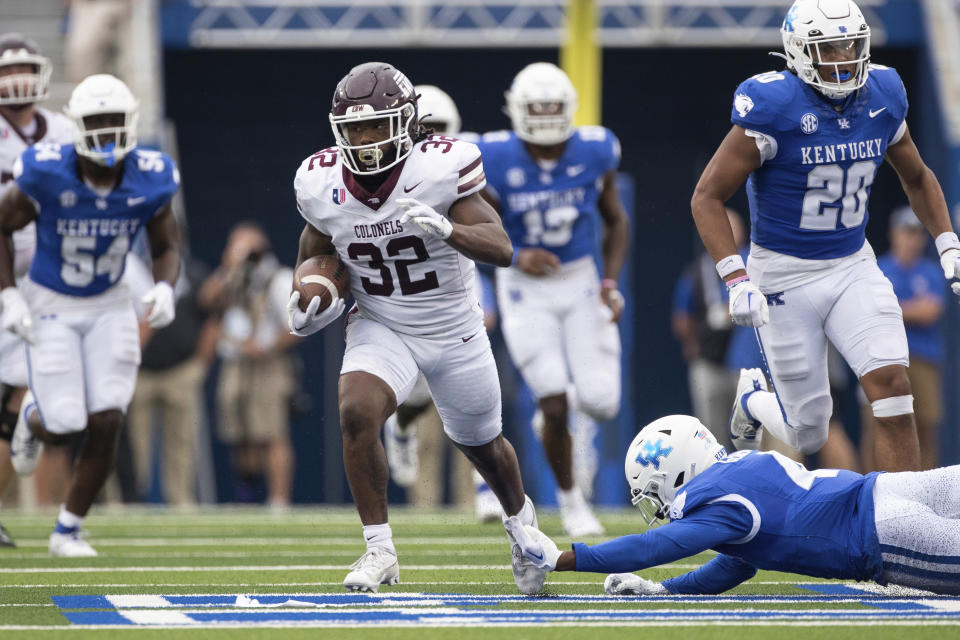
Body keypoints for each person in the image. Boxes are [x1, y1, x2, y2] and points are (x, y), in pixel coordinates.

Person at [289, 61, 546, 594]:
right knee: (357, 413)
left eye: (375, 125)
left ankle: (521, 525)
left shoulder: (439, 169)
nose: (363, 140)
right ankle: (379, 550)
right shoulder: (320, 182)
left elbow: (501, 247)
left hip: (453, 325)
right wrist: (308, 295)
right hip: (381, 320)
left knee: (483, 445)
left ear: (407, 122)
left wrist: (449, 228)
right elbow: (314, 251)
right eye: (353, 128)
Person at [690, 0, 960, 472]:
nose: (843, 57)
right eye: (828, 48)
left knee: (894, 387)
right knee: (808, 428)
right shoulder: (773, 105)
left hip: (852, 264)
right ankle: (755, 400)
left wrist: (948, 242)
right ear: (798, 52)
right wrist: (735, 278)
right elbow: (707, 196)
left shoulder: (883, 92)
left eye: (851, 44)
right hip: (783, 276)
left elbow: (916, 176)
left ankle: (900, 520)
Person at [0, 73, 181, 557]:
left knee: (106, 419)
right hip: (52, 302)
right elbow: (2, 224)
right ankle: (32, 418)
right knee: (63, 422)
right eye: (96, 122)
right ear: (77, 126)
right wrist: (9, 295)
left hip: (109, 304)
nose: (105, 132)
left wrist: (165, 286)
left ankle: (68, 530)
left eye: (114, 121)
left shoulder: (150, 174)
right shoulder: (45, 170)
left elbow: (166, 243)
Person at [521, 414, 960, 597]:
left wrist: (565, 559)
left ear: (674, 475)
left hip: (885, 534)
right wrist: (665, 590)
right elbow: (738, 564)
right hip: (892, 488)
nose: (658, 507)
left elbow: (655, 547)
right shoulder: (741, 464)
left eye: (655, 494)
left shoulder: (715, 500)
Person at [476, 62, 630, 536]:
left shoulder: (595, 149)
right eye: (535, 108)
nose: (544, 117)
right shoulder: (493, 156)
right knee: (554, 400)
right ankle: (571, 501)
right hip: (525, 287)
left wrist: (610, 282)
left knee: (602, 402)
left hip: (581, 277)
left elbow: (615, 220)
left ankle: (565, 431)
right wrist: (516, 255)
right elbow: (474, 219)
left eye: (552, 108)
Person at [382, 83, 501, 522]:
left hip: (459, 287)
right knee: (417, 393)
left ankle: (487, 490)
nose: (431, 139)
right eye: (423, 129)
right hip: (409, 295)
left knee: (478, 399)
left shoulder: (465, 165)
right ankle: (401, 425)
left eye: (439, 130)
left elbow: (495, 228)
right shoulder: (386, 173)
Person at [0, 33, 78, 547]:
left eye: (25, 69)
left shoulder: (67, 130)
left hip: (47, 274)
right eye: (9, 71)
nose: (19, 81)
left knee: (18, 396)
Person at [203, 222, 299, 507]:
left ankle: (278, 501)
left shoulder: (278, 278)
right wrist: (229, 269)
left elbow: (297, 325)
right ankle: (246, 498)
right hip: (236, 364)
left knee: (271, 432)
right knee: (239, 434)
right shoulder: (231, 279)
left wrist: (266, 346)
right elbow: (207, 300)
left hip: (268, 364)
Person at [124, 234, 218, 507]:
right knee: (134, 447)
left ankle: (181, 502)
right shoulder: (131, 269)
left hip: (180, 370)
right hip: (139, 371)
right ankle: (131, 501)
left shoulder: (193, 272)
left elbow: (213, 316)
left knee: (181, 444)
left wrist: (200, 364)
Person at [863, 206, 945, 470]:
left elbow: (930, 311)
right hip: (883, 357)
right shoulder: (878, 268)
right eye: (906, 233)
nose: (912, 240)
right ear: (894, 235)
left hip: (923, 357)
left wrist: (895, 306)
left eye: (917, 234)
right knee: (878, 422)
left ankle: (928, 491)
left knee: (925, 425)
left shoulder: (931, 271)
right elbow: (870, 308)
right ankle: (871, 488)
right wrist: (912, 308)